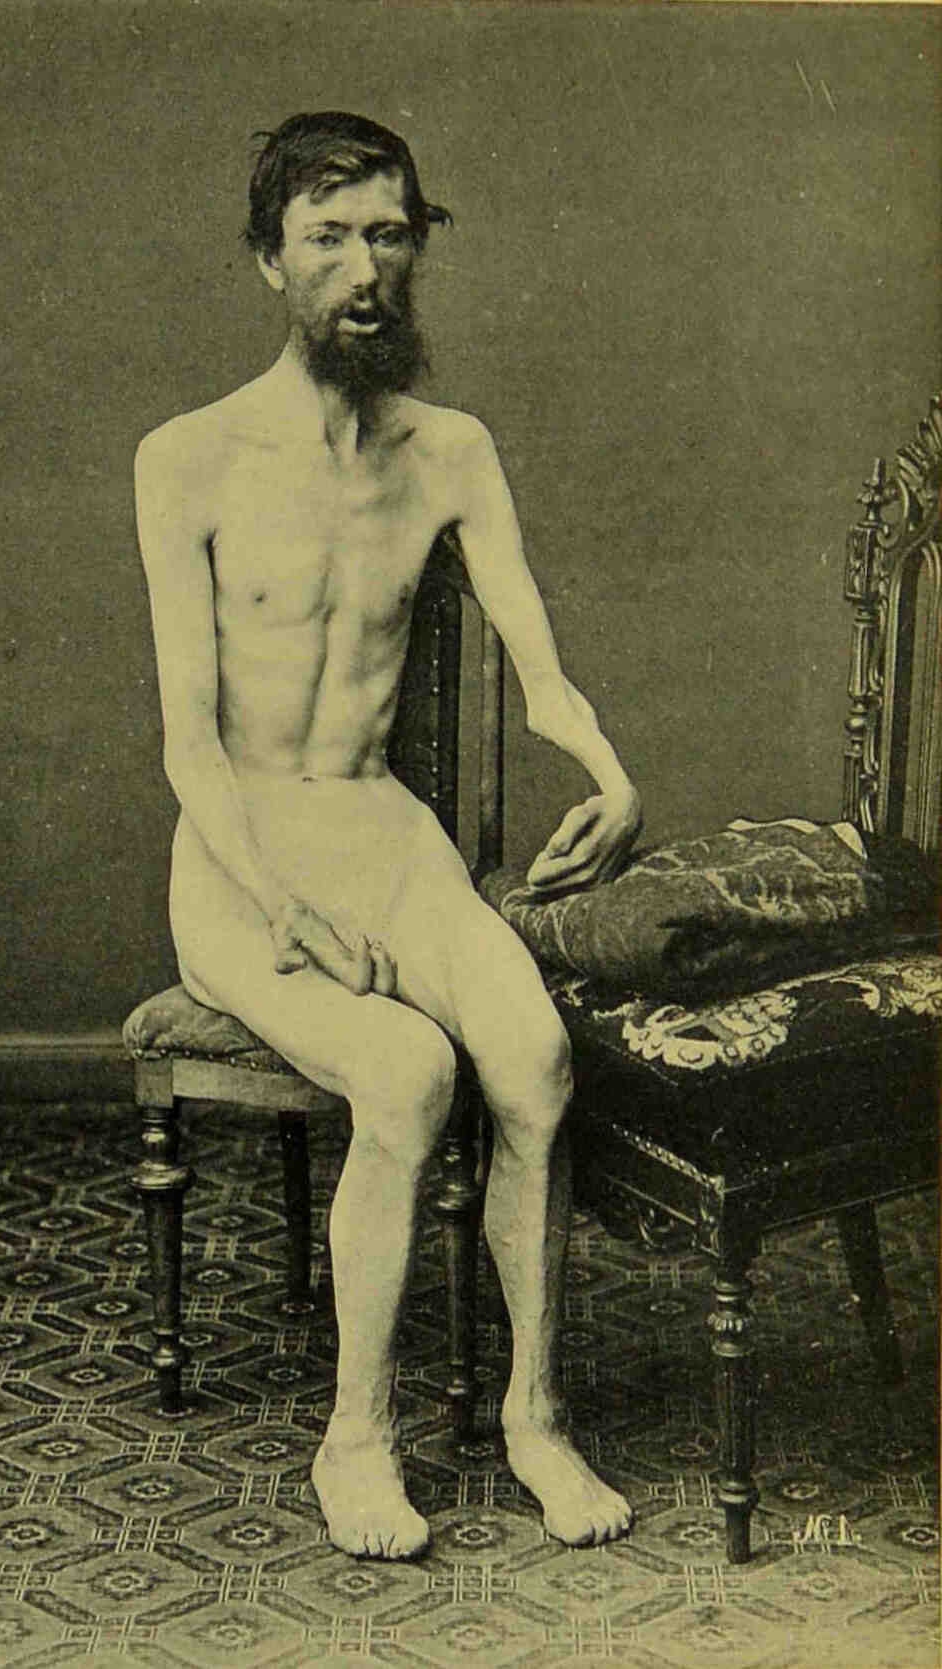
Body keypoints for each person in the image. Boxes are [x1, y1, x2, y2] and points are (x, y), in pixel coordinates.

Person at [133, 111, 641, 1559]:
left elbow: (542, 673)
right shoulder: (187, 458)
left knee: (536, 1059)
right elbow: (188, 744)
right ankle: (354, 1438)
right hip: (241, 860)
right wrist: (279, 905)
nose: (365, 269)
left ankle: (535, 1418)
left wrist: (612, 775)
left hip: (383, 834)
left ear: (418, 246)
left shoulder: (451, 451)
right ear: (268, 261)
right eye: (328, 238)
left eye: (390, 234)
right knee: (411, 1071)